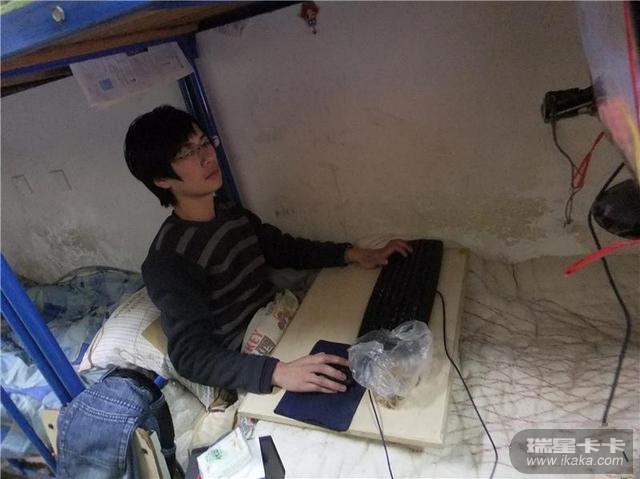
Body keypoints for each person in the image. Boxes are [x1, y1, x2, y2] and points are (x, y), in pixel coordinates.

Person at [124, 105, 412, 395]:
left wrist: (352, 254)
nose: (207, 157)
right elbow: (191, 356)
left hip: (280, 322)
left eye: (204, 143)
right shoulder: (170, 260)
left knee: (381, 347)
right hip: (253, 364)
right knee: (359, 388)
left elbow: (281, 248)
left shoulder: (227, 210)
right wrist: (277, 372)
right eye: (187, 153)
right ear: (161, 179)